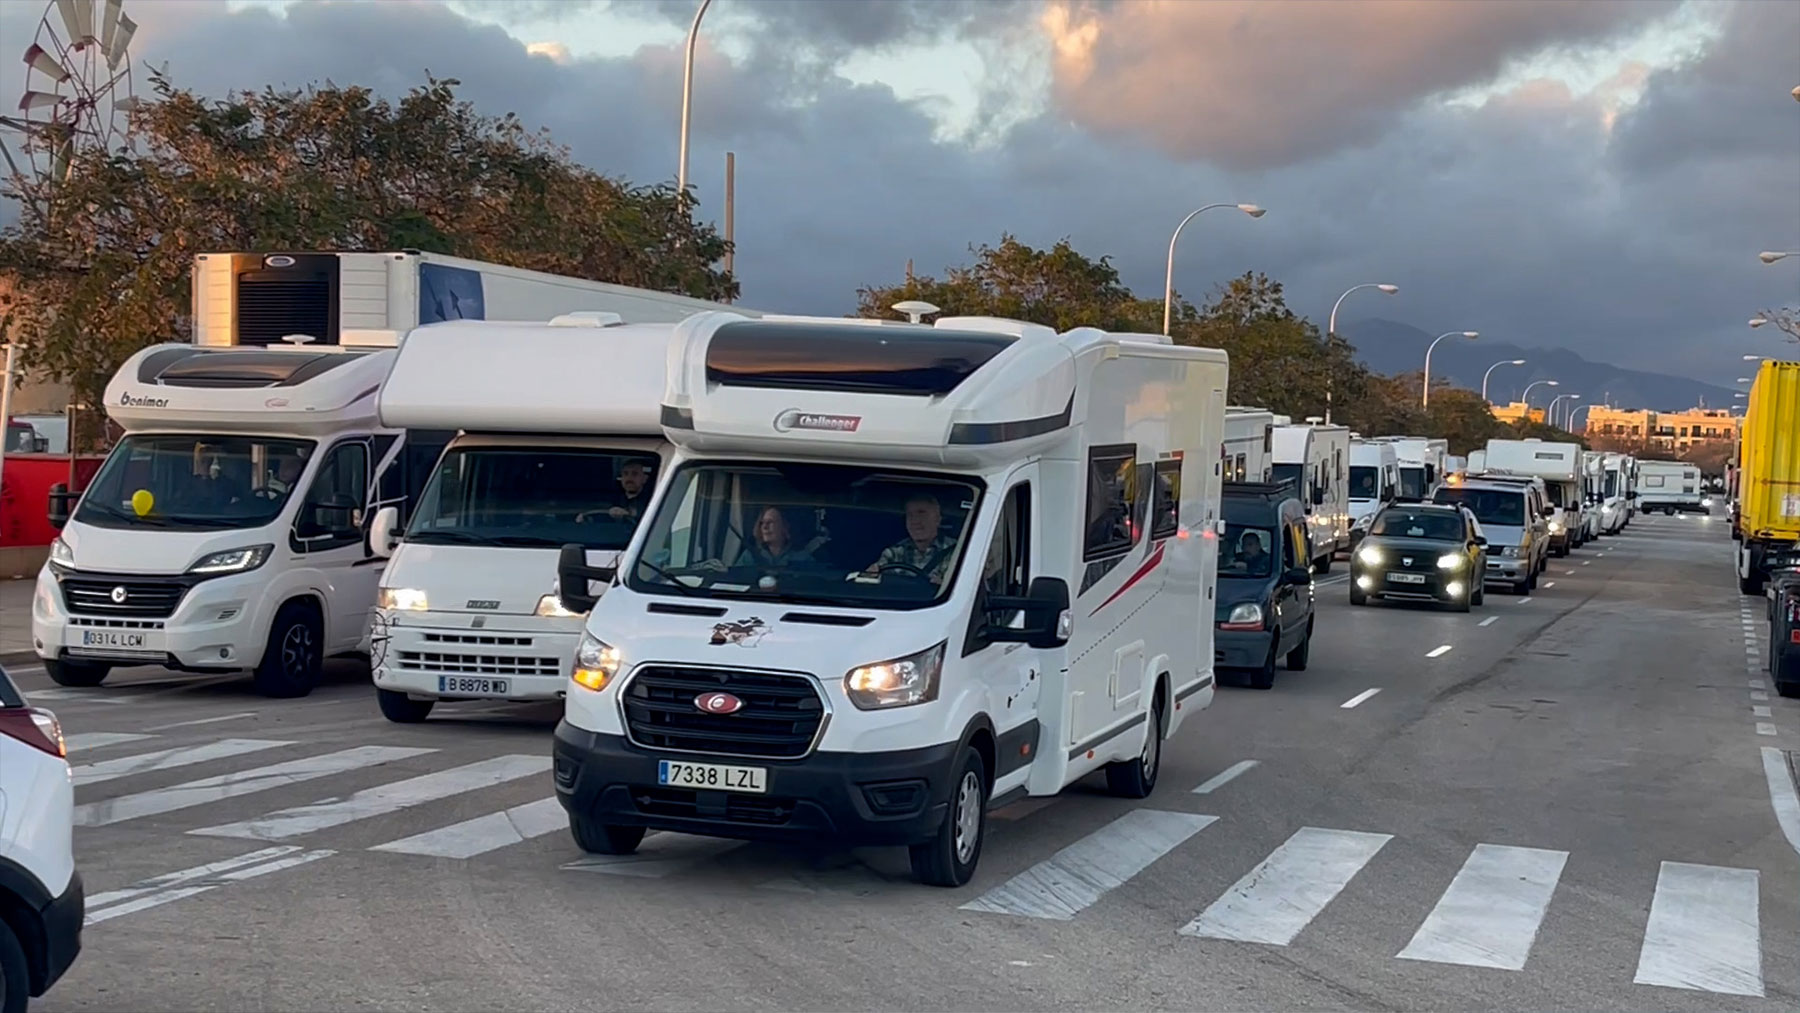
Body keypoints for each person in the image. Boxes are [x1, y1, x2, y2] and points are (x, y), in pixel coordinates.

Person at [866, 492, 957, 585]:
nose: (915, 520)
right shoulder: (894, 553)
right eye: (910, 515)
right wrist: (870, 576)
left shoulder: (958, 552)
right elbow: (872, 584)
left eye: (922, 513)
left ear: (937, 519)